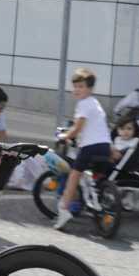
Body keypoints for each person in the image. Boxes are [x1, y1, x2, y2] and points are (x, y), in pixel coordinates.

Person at [53, 68, 113, 231]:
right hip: (104, 146)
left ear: (90, 89)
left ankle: (64, 211)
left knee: (73, 176)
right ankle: (99, 197)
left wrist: (63, 137)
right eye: (75, 86)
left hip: (90, 147)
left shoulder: (83, 104)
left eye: (81, 86)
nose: (77, 90)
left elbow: (77, 129)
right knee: (96, 176)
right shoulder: (95, 103)